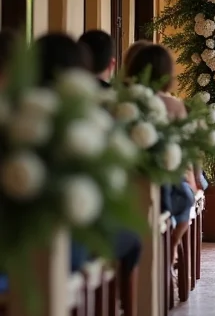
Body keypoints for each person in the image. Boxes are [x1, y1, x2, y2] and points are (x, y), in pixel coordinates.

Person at [35, 33, 142, 275]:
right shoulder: (90, 113)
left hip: (16, 242)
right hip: (71, 243)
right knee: (130, 237)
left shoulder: (17, 109)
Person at [125, 43, 199, 265]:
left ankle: (169, 247)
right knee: (186, 198)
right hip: (165, 179)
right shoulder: (173, 105)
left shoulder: (124, 101)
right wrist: (192, 178)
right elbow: (186, 148)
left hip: (129, 181)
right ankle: (173, 244)